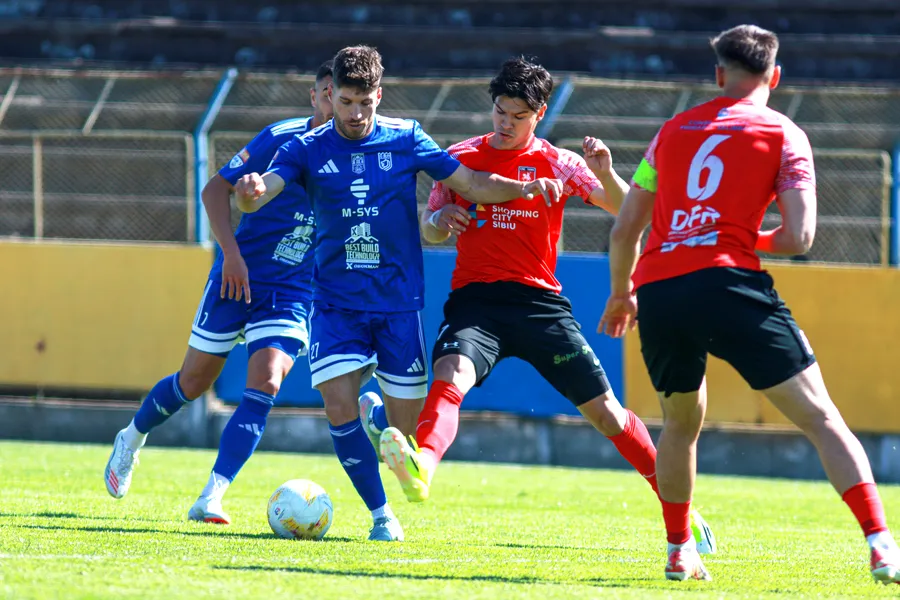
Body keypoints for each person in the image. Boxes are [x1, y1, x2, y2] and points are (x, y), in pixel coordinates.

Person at [375, 57, 715, 555]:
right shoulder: (460, 157)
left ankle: (681, 511)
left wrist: (607, 174)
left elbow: (627, 210)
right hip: (476, 302)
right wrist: (441, 219)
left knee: (608, 415)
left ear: (539, 114)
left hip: (541, 306)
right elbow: (429, 227)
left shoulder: (560, 162)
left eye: (518, 115)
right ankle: (422, 466)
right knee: (451, 374)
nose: (505, 123)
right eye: (499, 111)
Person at [599, 25, 900, 583]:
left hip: (660, 289)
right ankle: (881, 544)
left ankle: (679, 549)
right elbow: (799, 237)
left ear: (719, 74)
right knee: (821, 417)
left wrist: (622, 294)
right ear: (775, 76)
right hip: (729, 282)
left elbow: (624, 231)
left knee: (679, 424)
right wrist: (730, 236)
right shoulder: (785, 133)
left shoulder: (670, 132)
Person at [234, 46, 563, 542]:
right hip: (335, 304)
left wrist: (523, 188)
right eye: (345, 102)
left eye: (364, 103)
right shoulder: (307, 147)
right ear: (330, 95)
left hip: (397, 306)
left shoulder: (406, 137)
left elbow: (471, 183)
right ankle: (381, 515)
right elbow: (265, 189)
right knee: (337, 405)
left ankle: (378, 421)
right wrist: (250, 193)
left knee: (404, 436)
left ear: (379, 96)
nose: (354, 114)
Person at [104, 61, 339, 525]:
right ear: (314, 97)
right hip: (238, 276)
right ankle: (131, 437)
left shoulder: (360, 155)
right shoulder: (281, 138)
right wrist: (231, 255)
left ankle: (211, 496)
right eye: (329, 93)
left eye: (347, 97)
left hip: (291, 289)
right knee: (192, 384)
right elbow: (216, 190)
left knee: (267, 381)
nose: (338, 104)